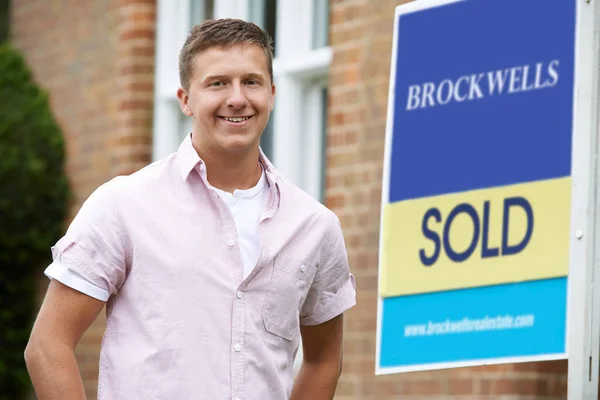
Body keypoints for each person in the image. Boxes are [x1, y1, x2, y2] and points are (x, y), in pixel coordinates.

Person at [24, 18, 356, 400]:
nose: (237, 98)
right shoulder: (124, 206)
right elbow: (48, 345)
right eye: (217, 83)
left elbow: (324, 360)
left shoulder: (315, 226)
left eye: (251, 81)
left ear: (272, 93)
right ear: (185, 99)